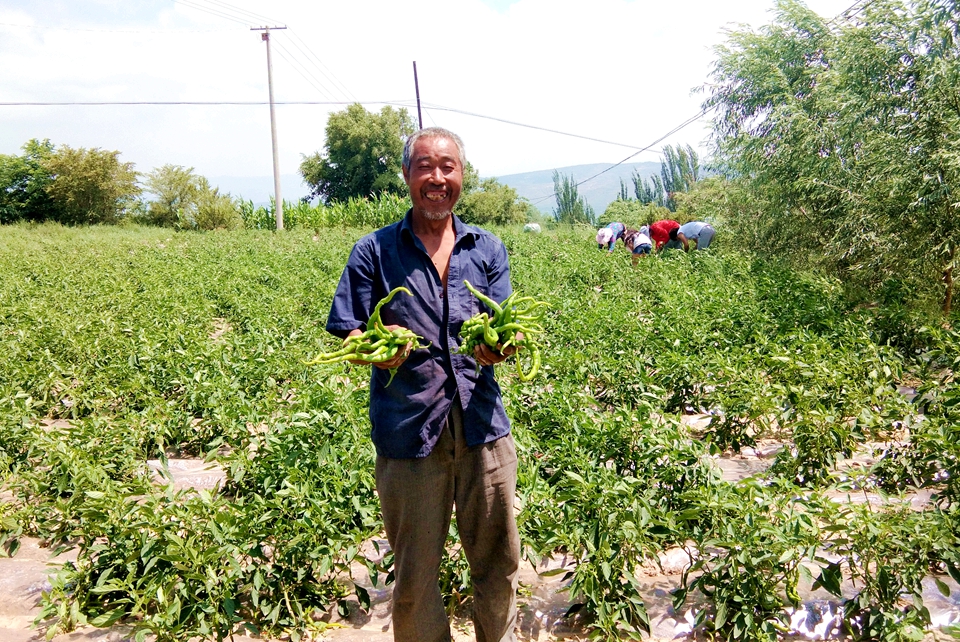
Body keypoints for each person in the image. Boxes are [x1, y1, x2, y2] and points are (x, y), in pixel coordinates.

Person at [325, 127, 521, 642]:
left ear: (462, 174)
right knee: (414, 580)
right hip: (409, 428)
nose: (437, 177)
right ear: (407, 175)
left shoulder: (487, 248)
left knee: (499, 565)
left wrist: (502, 345)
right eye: (424, 166)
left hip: (483, 428)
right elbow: (350, 327)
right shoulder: (374, 251)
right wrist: (374, 343)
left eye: (447, 166)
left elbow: (506, 324)